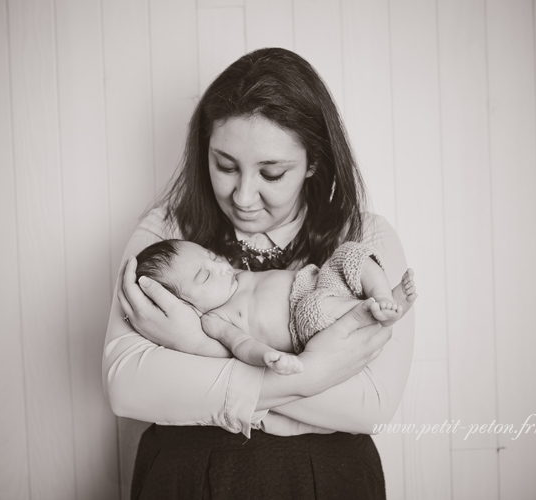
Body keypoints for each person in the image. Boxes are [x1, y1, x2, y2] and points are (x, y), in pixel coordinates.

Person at [103, 47, 415, 499]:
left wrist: (193, 351)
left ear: (312, 162)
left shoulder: (362, 236)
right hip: (188, 481)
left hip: (326, 482)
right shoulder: (168, 233)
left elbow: (371, 407)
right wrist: (313, 375)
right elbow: (127, 386)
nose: (244, 196)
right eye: (225, 166)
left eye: (271, 173)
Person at [132, 238, 417, 375]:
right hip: (304, 322)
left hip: (318, 280)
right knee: (317, 309)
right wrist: (267, 356)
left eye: (212, 256)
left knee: (349, 253)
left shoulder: (233, 273)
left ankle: (382, 296)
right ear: (188, 307)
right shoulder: (214, 319)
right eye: (204, 275)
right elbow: (241, 345)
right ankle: (373, 312)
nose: (219, 266)